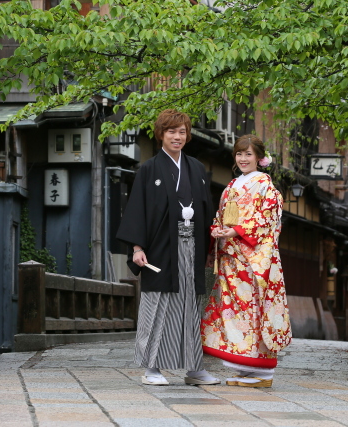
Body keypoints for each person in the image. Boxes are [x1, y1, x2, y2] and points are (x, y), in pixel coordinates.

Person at [117, 109, 220, 386]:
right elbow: (137, 208)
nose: (177, 137)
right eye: (172, 131)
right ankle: (152, 368)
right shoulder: (149, 168)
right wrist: (137, 247)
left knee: (191, 305)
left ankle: (195, 369)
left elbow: (207, 210)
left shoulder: (196, 168)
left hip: (192, 246)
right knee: (158, 304)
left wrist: (212, 245)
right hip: (161, 247)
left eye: (182, 132)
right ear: (161, 134)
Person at [201, 134, 292, 387]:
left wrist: (236, 231)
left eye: (248, 154)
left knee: (254, 311)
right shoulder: (232, 185)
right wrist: (218, 231)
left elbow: (266, 222)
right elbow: (222, 216)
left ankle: (261, 371)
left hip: (253, 261)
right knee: (232, 313)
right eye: (239, 154)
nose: (243, 159)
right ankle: (244, 367)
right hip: (232, 258)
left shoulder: (266, 187)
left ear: (259, 158)